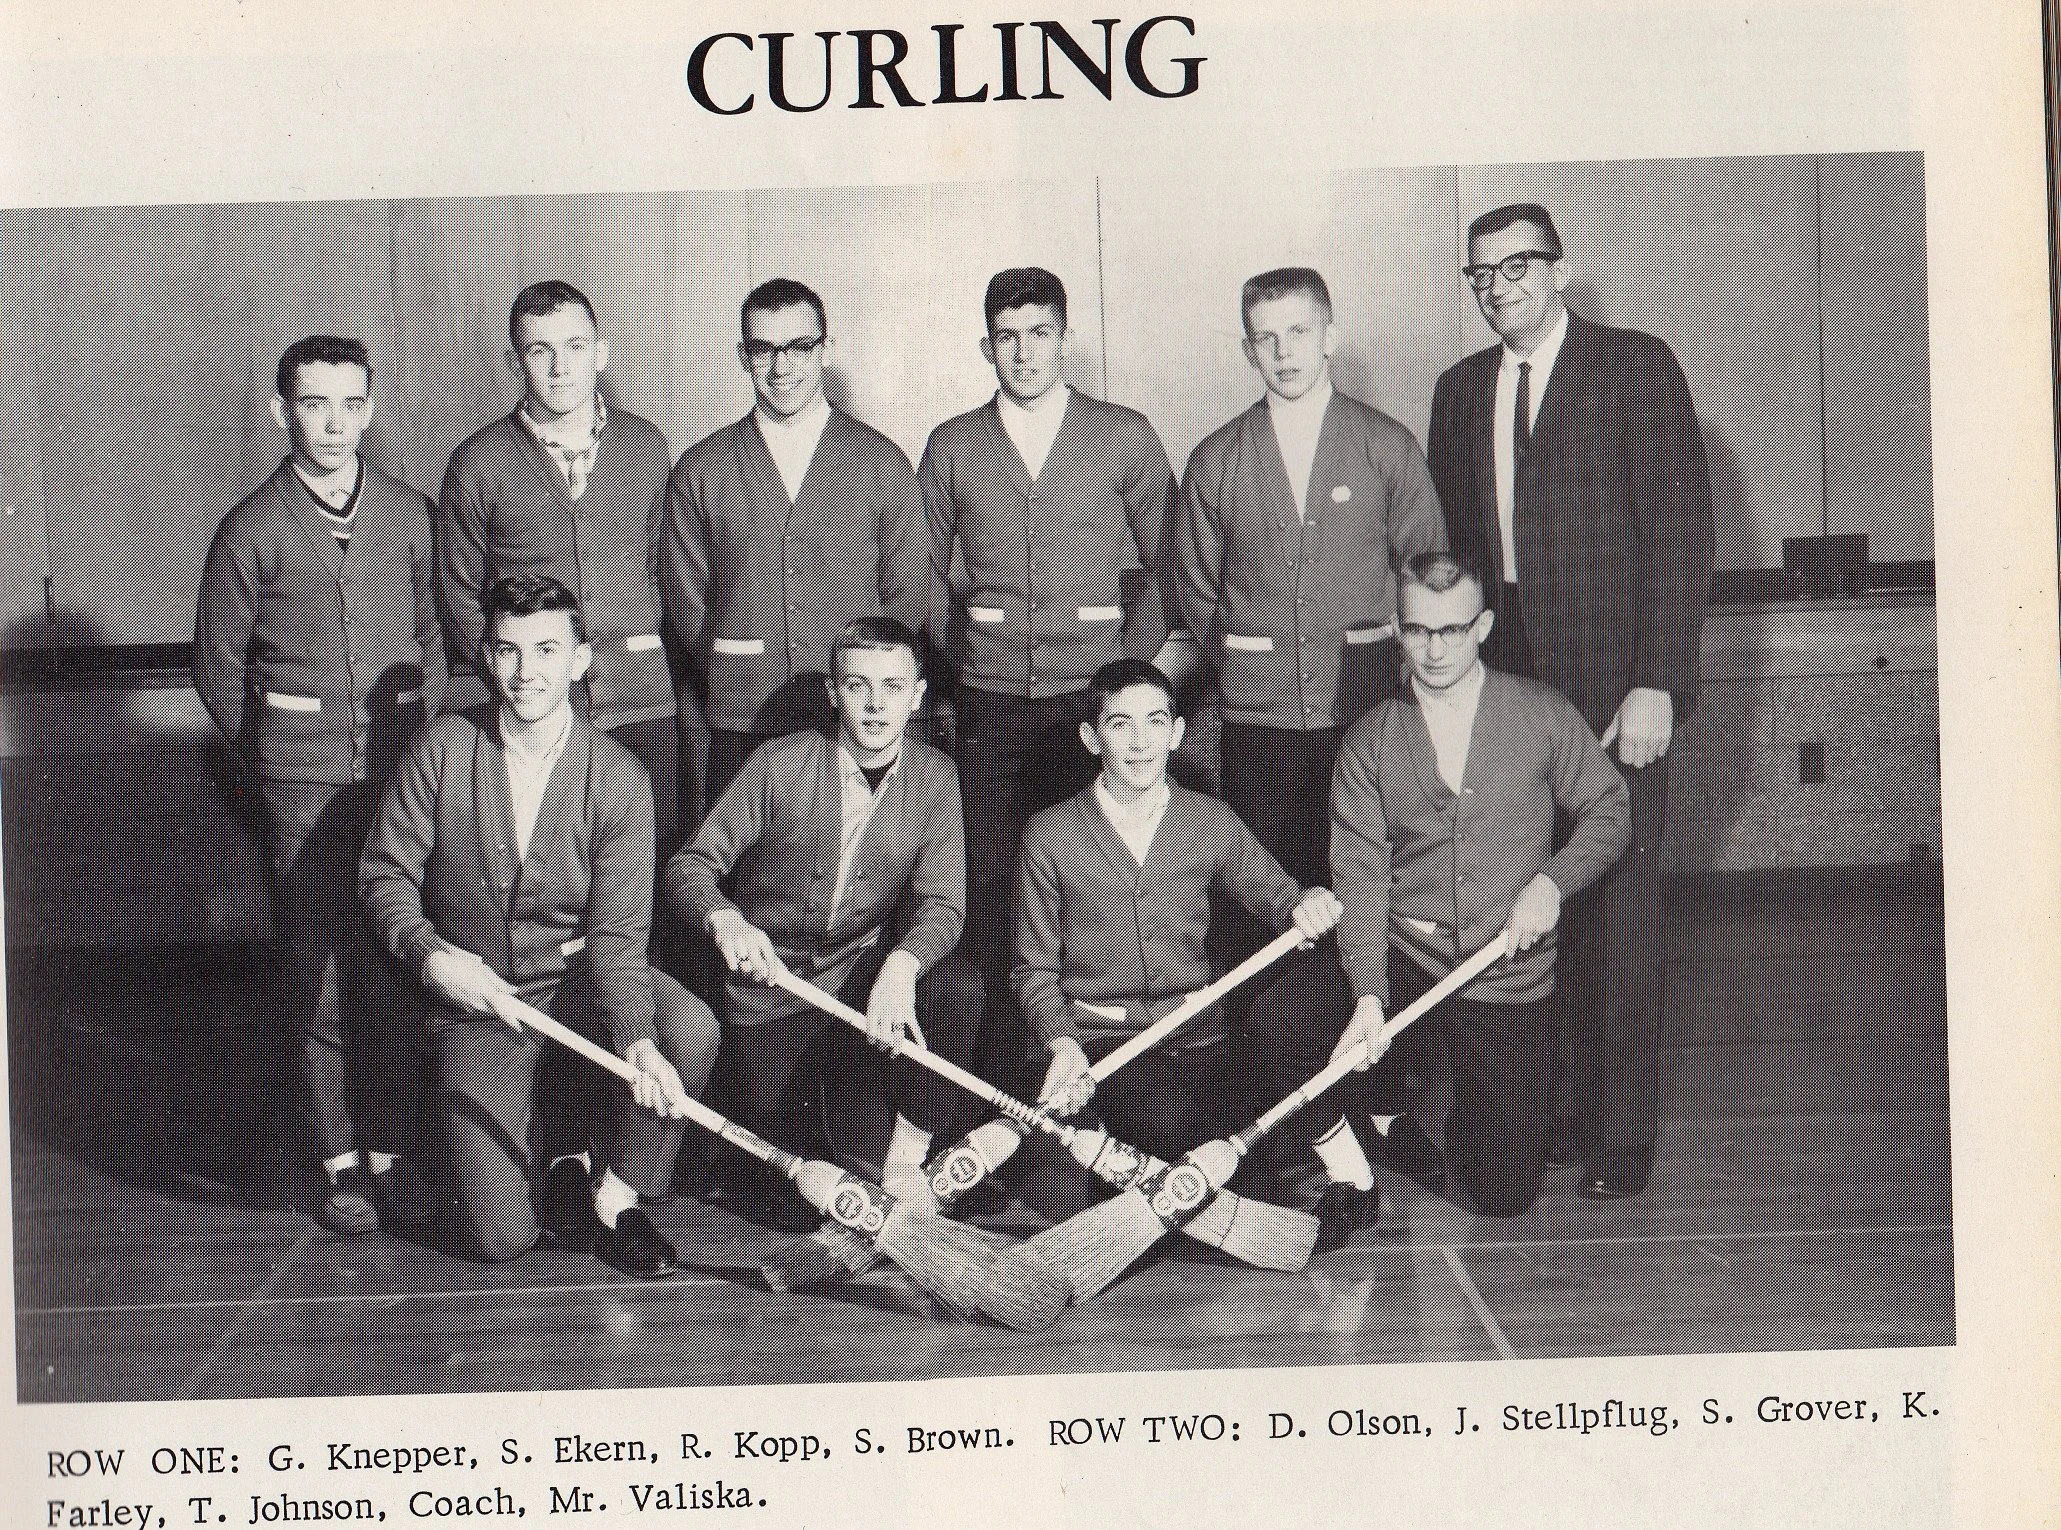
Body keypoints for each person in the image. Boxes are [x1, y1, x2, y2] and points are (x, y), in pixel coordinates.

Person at [1425, 203, 1713, 1199]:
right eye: (1481, 274)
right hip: (1508, 689)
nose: (1498, 287)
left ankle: (1618, 1134)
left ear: (1558, 269)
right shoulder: (1459, 391)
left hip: (1616, 684)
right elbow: (1454, 555)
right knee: (1523, 902)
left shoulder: (1636, 366)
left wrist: (1658, 679)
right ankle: (1545, 1111)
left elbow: (1679, 531)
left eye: (1517, 267)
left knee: (1617, 912)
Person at [1169, 265, 1447, 1190]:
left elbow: (1427, 574)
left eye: (1298, 332)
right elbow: (1195, 589)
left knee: (1377, 907)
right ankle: (1296, 1115)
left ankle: (1385, 1101)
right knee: (1271, 911)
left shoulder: (1383, 445)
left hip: (1365, 720)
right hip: (1257, 726)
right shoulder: (1217, 457)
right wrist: (1250, 656)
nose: (1283, 352)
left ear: (1329, 335)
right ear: (1247, 347)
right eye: (1265, 337)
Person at [359, 575, 720, 1277]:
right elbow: (383, 875)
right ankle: (542, 1149)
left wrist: (637, 1040)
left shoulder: (618, 776)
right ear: (487, 657)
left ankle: (616, 1196)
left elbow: (617, 938)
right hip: (480, 1004)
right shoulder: (440, 749)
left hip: (577, 988)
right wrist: (431, 955)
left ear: (580, 661)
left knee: (689, 1029)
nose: (526, 672)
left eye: (547, 650)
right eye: (509, 651)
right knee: (500, 1237)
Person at [1253, 553, 1630, 1223]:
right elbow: (1361, 880)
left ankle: (1452, 1116)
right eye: (1419, 630)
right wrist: (1369, 996)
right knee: (1282, 1014)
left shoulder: (1541, 714)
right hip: (1409, 956)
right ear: (1398, 630)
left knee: (1503, 1194)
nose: (1434, 650)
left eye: (1451, 630)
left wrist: (1553, 881)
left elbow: (1609, 810)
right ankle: (1368, 1136)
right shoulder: (1369, 742)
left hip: (1502, 969)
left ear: (1482, 626)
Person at [193, 334, 445, 1238]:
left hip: (399, 778)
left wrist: (421, 750)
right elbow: (218, 670)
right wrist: (280, 758)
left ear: (369, 409)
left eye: (349, 404)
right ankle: (338, 1157)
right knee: (320, 972)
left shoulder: (409, 514)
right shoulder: (250, 528)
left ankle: (392, 1149)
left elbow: (436, 639)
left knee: (394, 964)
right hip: (299, 788)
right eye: (313, 404)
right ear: (281, 412)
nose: (333, 424)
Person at [920, 266, 1178, 1090]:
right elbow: (919, 574)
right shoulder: (953, 444)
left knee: (1094, 885)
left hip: (1088, 706)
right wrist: (960, 665)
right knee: (996, 895)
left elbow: (1174, 563)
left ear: (1064, 339)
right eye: (1007, 337)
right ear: (985, 347)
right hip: (990, 705)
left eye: (1039, 334)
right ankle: (1005, 1084)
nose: (1024, 352)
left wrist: (1126, 673)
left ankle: (1097, 1076)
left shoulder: (1123, 435)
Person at [663, 618, 982, 1226]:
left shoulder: (936, 776)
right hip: (770, 991)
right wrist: (725, 919)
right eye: (858, 685)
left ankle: (905, 1162)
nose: (875, 705)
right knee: (789, 1204)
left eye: (892, 687)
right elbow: (689, 865)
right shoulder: (780, 763)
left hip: (859, 991)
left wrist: (901, 965)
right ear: (835, 692)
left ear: (917, 696)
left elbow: (943, 904)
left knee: (959, 989)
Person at [1016, 659, 1342, 1165]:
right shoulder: (1049, 834)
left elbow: (1279, 898)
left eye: (1155, 722)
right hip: (1106, 1043)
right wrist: (1061, 1043)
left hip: (1196, 1029)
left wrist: (1307, 903)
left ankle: (1340, 1174)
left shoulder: (1208, 819)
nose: (1140, 743)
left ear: (1176, 733)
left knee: (1277, 1104)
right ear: (1091, 738)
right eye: (1120, 724)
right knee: (1180, 1138)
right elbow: (1034, 969)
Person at [662, 278, 929, 812]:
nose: (781, 367)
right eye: (764, 349)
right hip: (742, 714)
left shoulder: (881, 462)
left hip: (852, 721)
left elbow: (910, 598)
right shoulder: (701, 468)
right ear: (744, 356)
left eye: (799, 347)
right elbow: (688, 610)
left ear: (825, 349)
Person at [437, 281, 683, 850]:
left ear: (600, 352)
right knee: (543, 868)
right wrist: (513, 689)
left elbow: (673, 578)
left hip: (640, 702)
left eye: (575, 347)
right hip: (531, 713)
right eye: (539, 350)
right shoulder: (477, 461)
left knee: (649, 867)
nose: (560, 368)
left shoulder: (646, 448)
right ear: (515, 362)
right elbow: (459, 596)